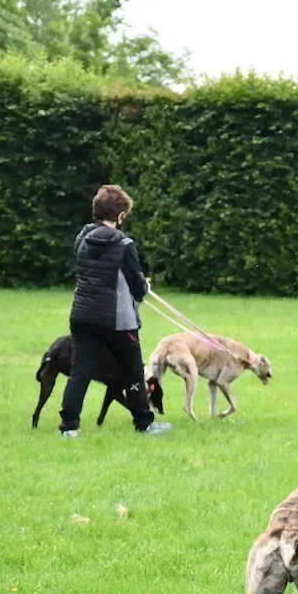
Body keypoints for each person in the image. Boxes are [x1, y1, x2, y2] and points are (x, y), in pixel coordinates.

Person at [59, 184, 170, 437]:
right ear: (120, 215)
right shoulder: (125, 244)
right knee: (132, 370)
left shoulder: (82, 238)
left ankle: (69, 427)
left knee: (81, 370)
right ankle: (144, 423)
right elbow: (138, 288)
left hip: (82, 315)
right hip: (117, 320)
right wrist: (145, 285)